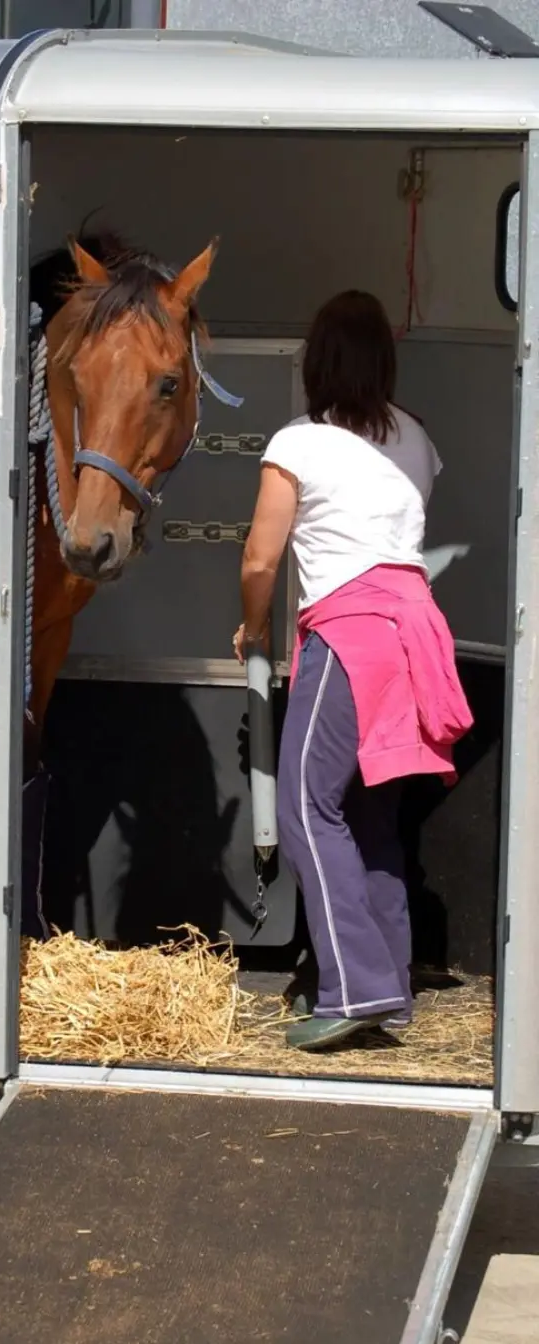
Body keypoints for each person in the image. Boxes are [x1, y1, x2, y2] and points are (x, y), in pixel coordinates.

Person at [233, 290, 473, 1052]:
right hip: (414, 637)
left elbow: (261, 557)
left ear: (318, 361)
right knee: (372, 818)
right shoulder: (417, 439)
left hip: (350, 635)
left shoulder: (298, 442)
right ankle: (390, 987)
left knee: (306, 807)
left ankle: (356, 987)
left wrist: (253, 624)